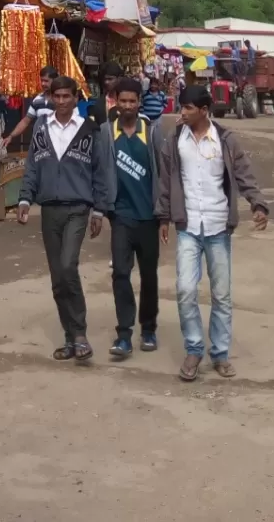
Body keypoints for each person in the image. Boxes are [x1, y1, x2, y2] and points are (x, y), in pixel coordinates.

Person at [157, 84, 269, 382]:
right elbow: (166, 180)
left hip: (219, 225)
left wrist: (257, 203)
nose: (182, 113)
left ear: (204, 111)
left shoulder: (225, 140)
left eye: (188, 108)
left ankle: (219, 354)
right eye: (182, 107)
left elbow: (243, 173)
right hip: (188, 226)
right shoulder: (175, 139)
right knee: (184, 290)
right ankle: (194, 349)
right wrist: (164, 217)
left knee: (221, 294)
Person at [17, 74, 114, 364]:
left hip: (78, 208)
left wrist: (99, 209)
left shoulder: (89, 130)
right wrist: (24, 198)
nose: (61, 102)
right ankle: (71, 339)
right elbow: (33, 165)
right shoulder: (41, 128)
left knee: (68, 264)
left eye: (66, 97)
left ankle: (81, 333)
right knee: (58, 277)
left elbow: (100, 172)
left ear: (75, 98)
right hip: (50, 209)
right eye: (56, 97)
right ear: (51, 99)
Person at [108, 77, 162, 359]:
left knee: (149, 275)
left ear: (139, 103)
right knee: (120, 273)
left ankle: (149, 327)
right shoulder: (107, 133)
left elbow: (162, 174)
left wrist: (163, 214)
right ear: (115, 102)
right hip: (121, 217)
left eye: (132, 101)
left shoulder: (151, 133)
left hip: (148, 218)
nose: (127, 106)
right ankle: (124, 333)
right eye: (123, 101)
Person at [2, 66, 57, 151]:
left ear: (54, 81)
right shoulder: (37, 100)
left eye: (46, 81)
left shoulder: (61, 99)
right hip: (40, 148)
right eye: (42, 80)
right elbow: (25, 121)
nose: (43, 84)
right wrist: (11, 136)